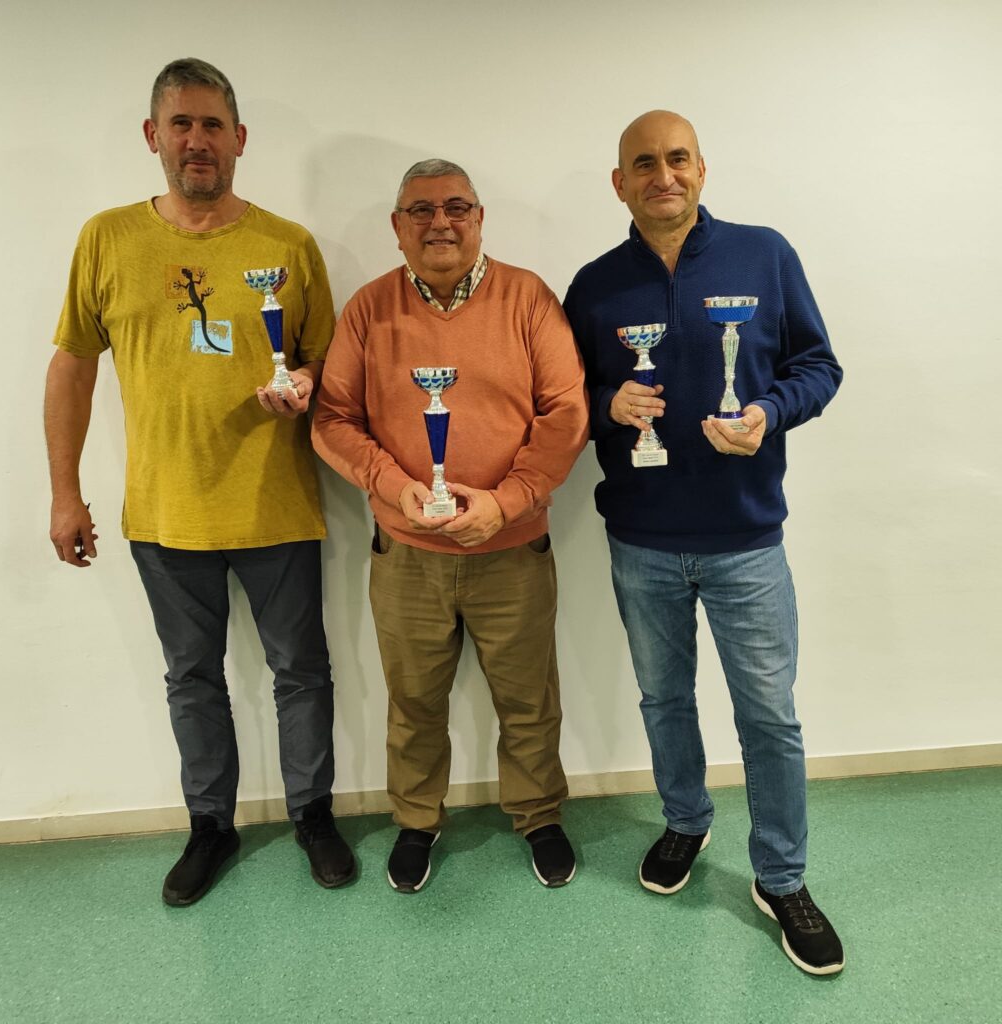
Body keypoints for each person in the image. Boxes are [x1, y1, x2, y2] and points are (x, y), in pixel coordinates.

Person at [43, 58, 354, 906]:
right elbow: (72, 366)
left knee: (302, 670)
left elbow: (329, 360)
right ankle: (211, 825)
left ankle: (313, 815)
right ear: (153, 136)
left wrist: (303, 384)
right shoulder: (106, 239)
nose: (197, 139)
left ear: (239, 139)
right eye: (180, 123)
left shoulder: (287, 246)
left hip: (276, 505)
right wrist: (65, 492)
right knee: (192, 678)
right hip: (165, 513)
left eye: (213, 124)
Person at [563, 111, 844, 975]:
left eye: (677, 158)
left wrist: (767, 412)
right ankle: (686, 822)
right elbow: (561, 396)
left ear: (701, 169)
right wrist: (607, 404)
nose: (664, 175)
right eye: (644, 163)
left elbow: (818, 366)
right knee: (664, 700)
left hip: (746, 539)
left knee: (769, 715)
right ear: (619, 183)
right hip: (641, 540)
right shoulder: (595, 286)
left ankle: (782, 876)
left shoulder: (765, 255)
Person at [313, 159, 588, 893]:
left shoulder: (528, 299)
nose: (441, 222)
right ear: (397, 226)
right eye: (422, 209)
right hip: (407, 555)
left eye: (457, 207)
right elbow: (332, 419)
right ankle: (416, 820)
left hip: (513, 549)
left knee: (529, 700)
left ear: (480, 218)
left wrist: (508, 500)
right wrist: (395, 488)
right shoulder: (369, 310)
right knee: (413, 704)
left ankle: (538, 815)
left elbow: (566, 413)